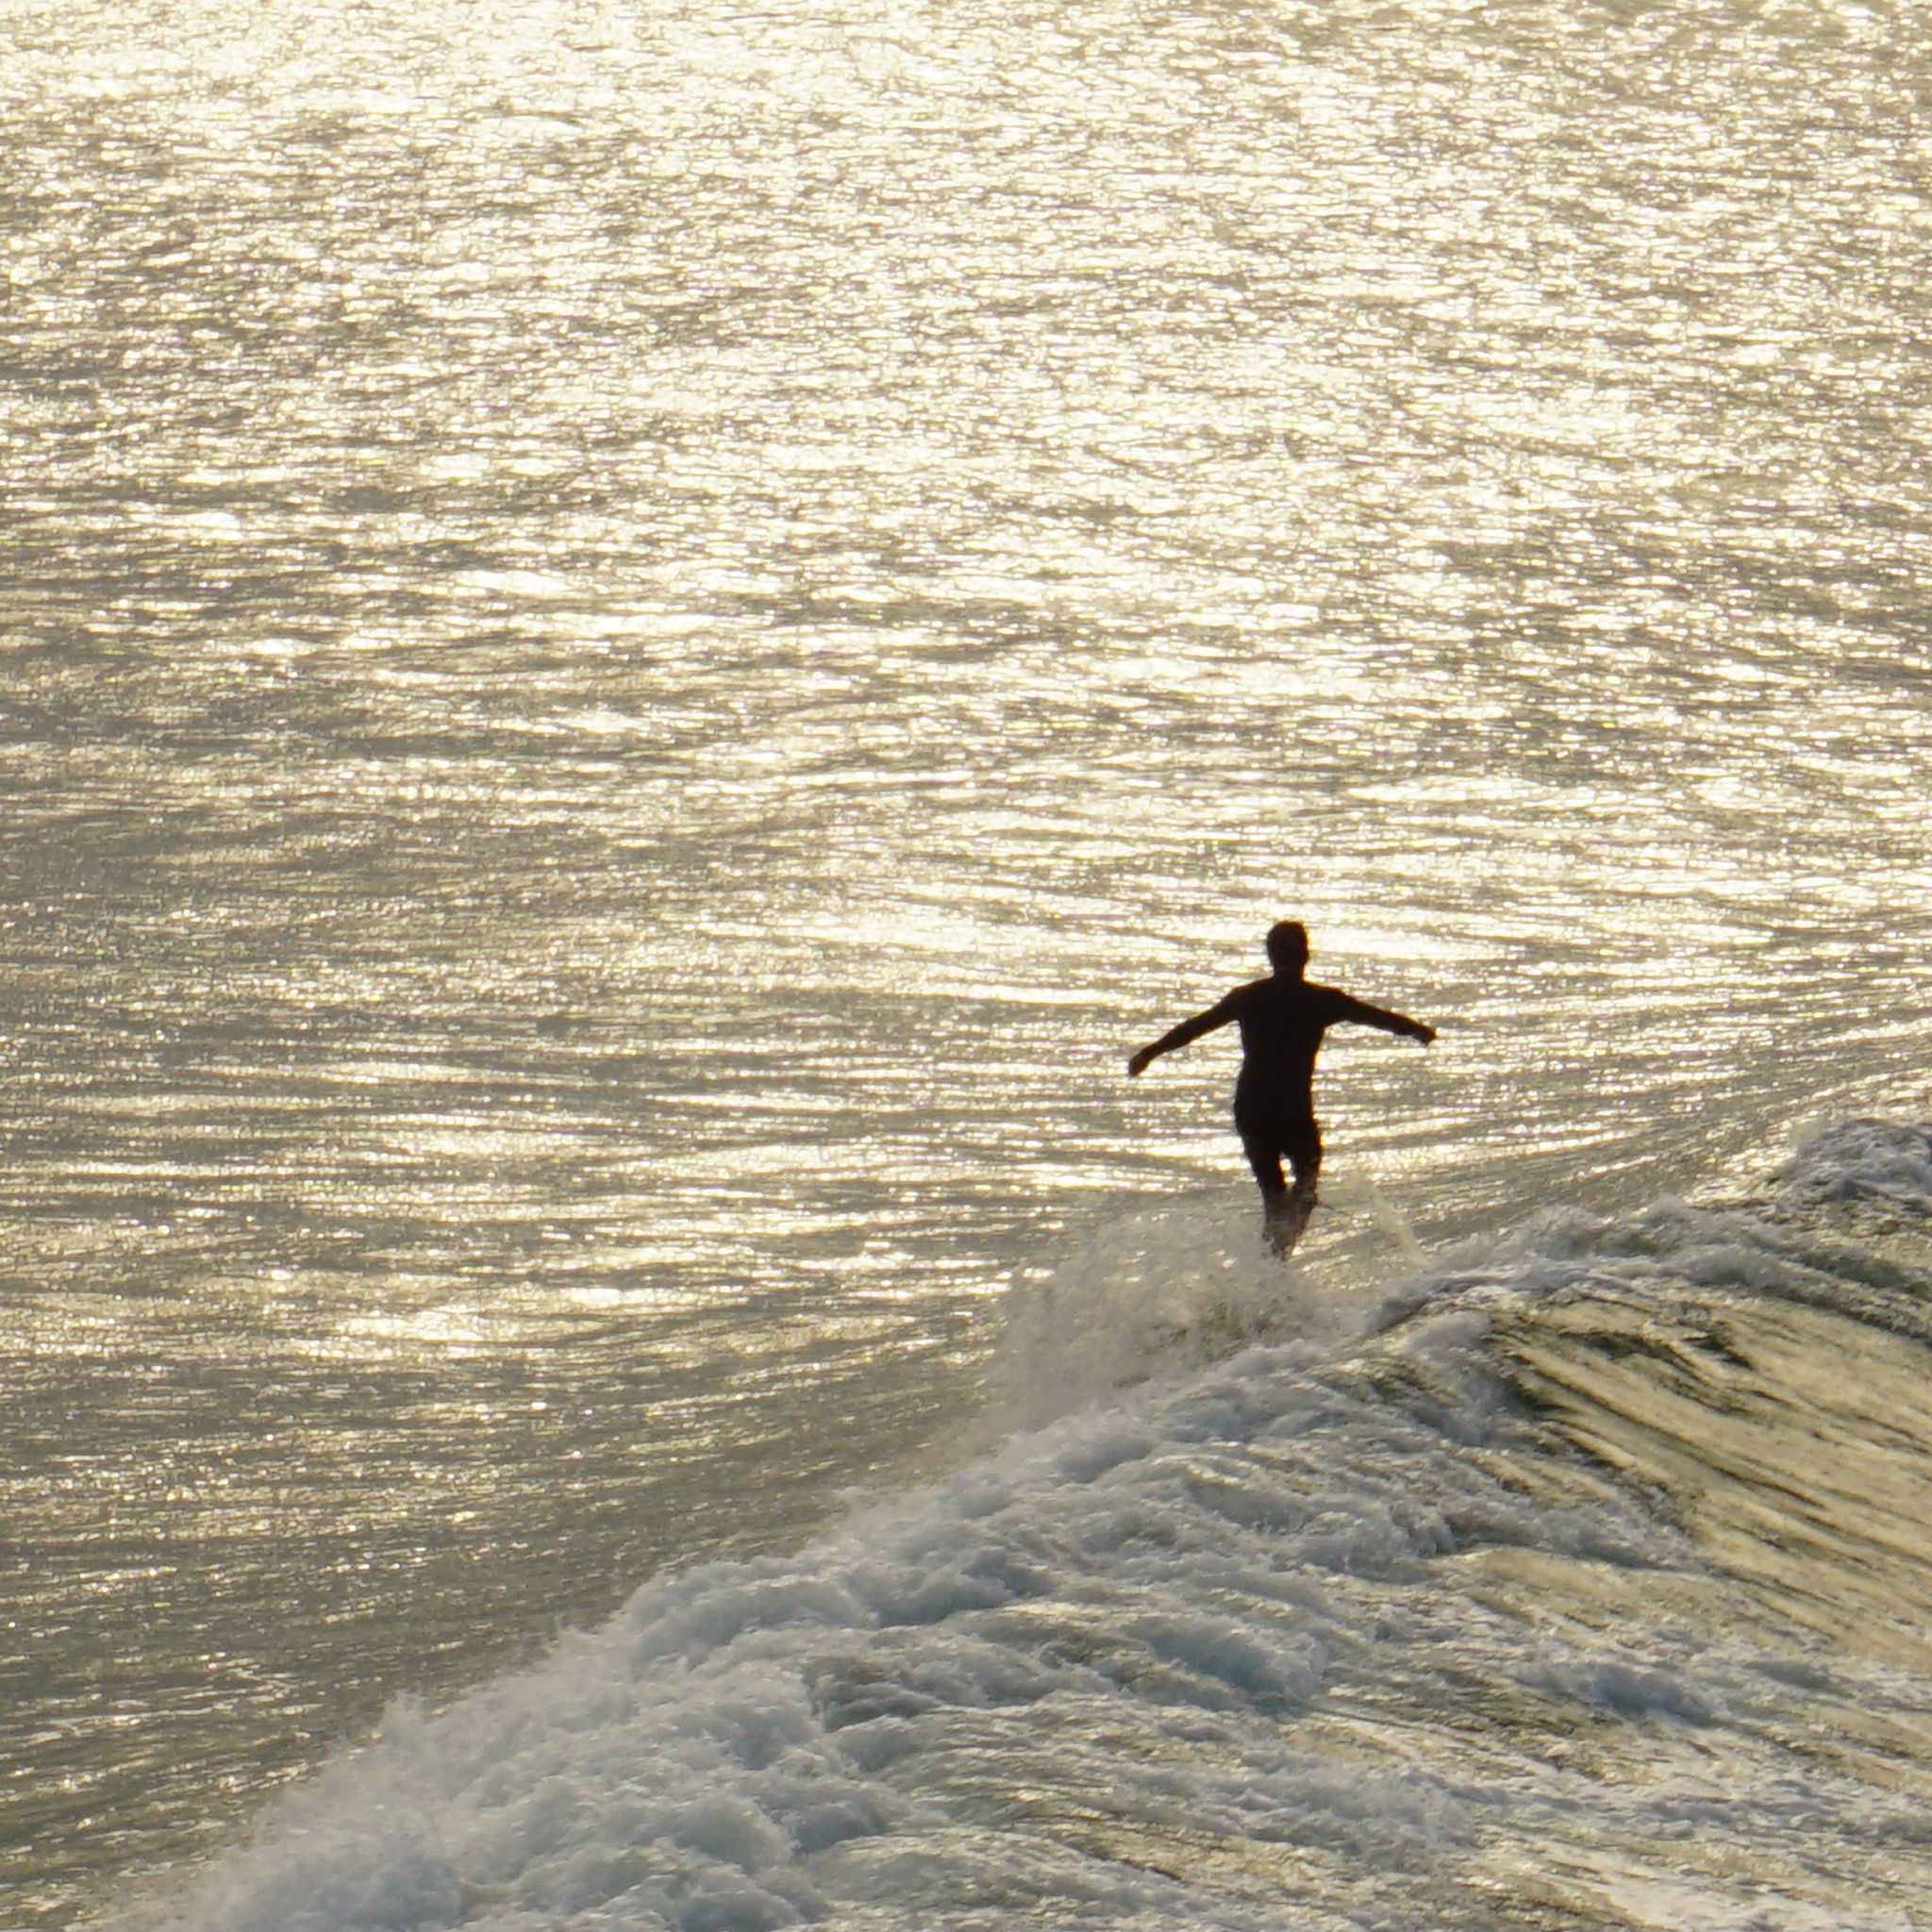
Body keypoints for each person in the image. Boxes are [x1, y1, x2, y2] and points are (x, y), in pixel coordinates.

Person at [1126, 921, 1435, 1253]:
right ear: (1306, 955)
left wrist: (1149, 1052)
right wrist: (1417, 1030)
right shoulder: (1321, 1001)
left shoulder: (1247, 998)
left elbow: (1194, 1028)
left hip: (1252, 1110)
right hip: (1292, 1113)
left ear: (1271, 955)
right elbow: (1378, 1017)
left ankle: (1267, 1269)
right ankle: (1276, 1263)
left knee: (1274, 1198)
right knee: (1304, 1191)